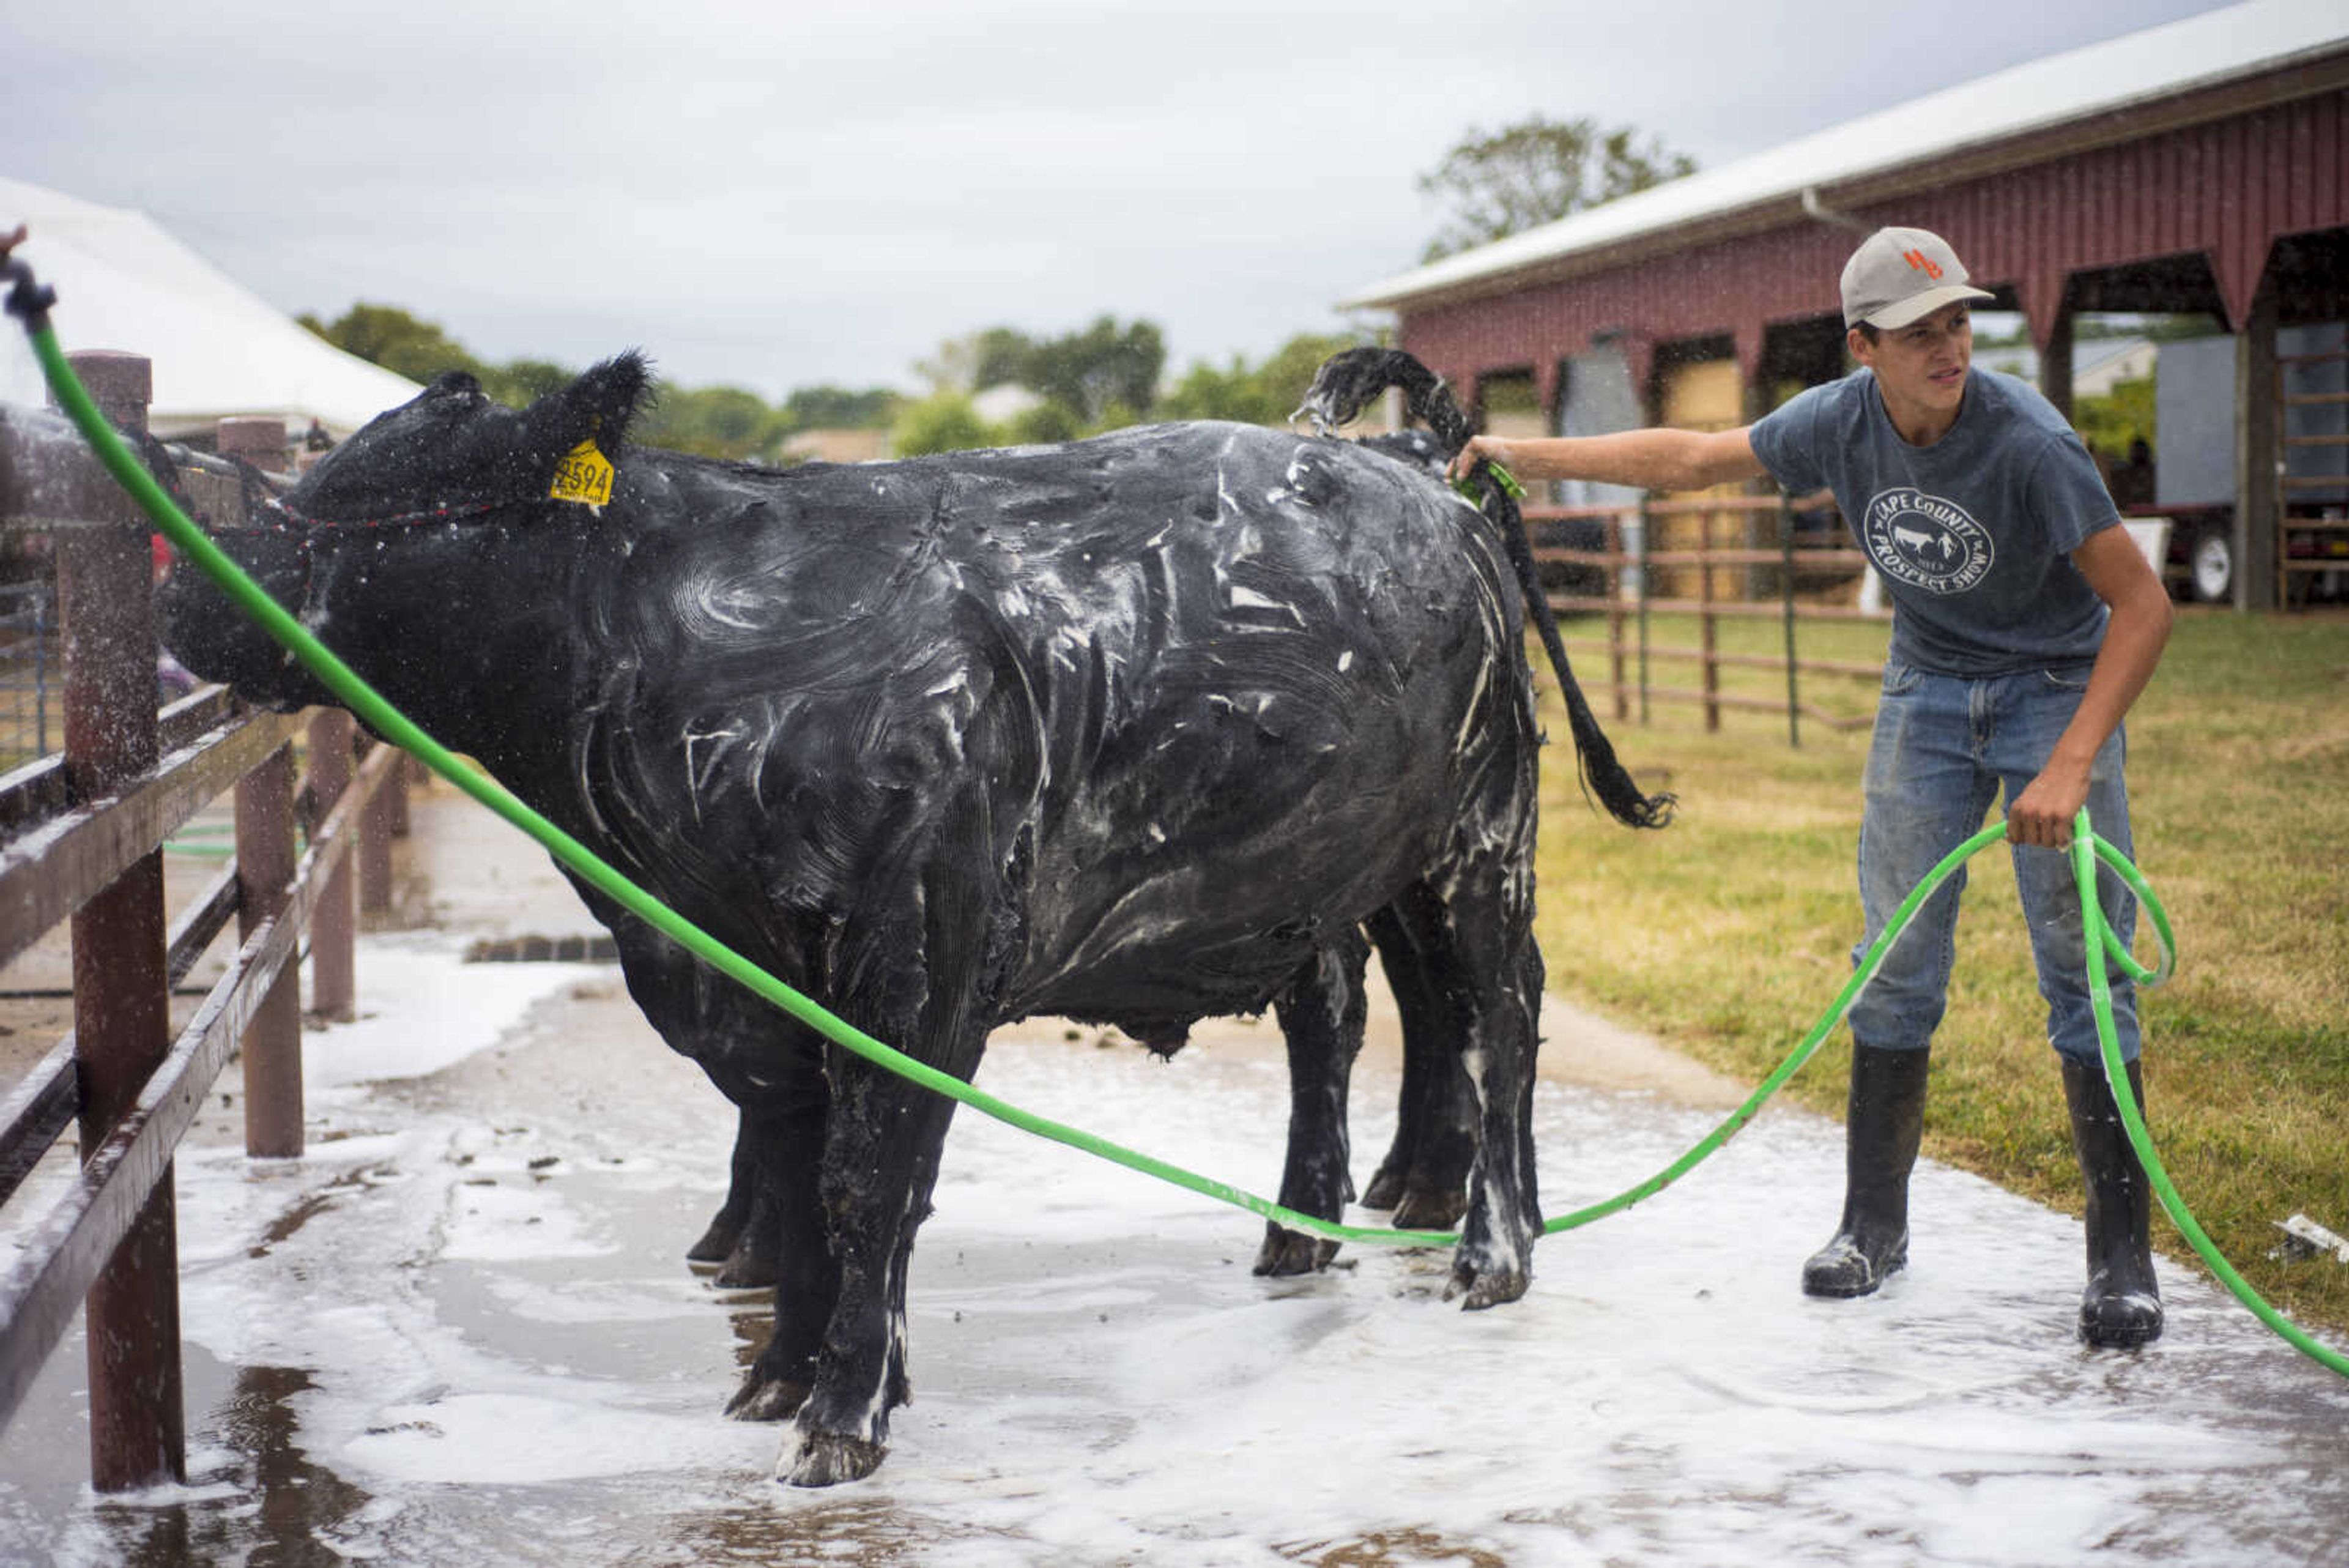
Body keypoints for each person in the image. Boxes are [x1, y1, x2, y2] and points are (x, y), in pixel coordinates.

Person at [1447, 225, 2174, 1348]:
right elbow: (1692, 461)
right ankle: (1870, 1229)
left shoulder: (2028, 440)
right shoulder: (1838, 421)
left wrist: (2072, 759)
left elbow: (2144, 605)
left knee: (2083, 965)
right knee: (1893, 961)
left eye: (1957, 324)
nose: (1949, 348)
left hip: (2051, 684)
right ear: (1863, 345)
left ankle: (2122, 1262)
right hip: (1929, 689)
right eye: (1919, 331)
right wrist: (1523, 458)